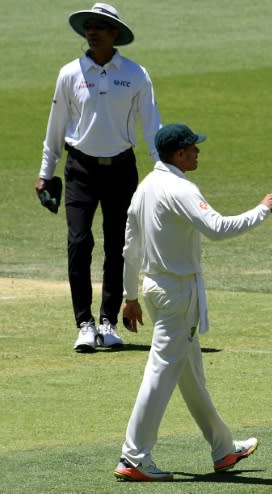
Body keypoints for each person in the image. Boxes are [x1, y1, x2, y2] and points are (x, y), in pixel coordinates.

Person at [113, 124, 272, 481]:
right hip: (178, 293)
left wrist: (130, 296)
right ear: (178, 154)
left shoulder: (146, 187)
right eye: (192, 148)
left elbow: (130, 248)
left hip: (155, 289)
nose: (198, 153)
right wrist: (263, 209)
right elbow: (219, 228)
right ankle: (134, 457)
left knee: (190, 376)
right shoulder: (180, 188)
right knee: (160, 374)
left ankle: (223, 448)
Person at [35, 3, 162, 353]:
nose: (92, 31)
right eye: (89, 26)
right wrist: (46, 173)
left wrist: (163, 168)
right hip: (79, 168)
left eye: (100, 27)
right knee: (79, 243)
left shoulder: (136, 74)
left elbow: (151, 124)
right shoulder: (69, 73)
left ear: (114, 34)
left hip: (121, 167)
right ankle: (84, 324)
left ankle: (108, 322)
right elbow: (56, 126)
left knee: (117, 245)